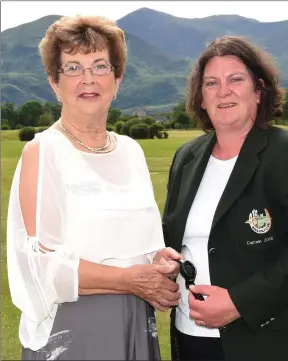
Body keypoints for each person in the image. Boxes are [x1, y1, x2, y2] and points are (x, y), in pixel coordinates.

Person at [6, 15, 183, 361]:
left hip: (136, 320)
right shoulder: (43, 151)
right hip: (72, 329)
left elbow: (138, 245)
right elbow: (41, 268)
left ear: (116, 81)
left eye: (100, 66)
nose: (88, 78)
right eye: (73, 68)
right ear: (55, 84)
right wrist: (131, 280)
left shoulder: (132, 151)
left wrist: (158, 261)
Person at [161, 36, 288, 361]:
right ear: (201, 98)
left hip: (274, 343)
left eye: (235, 79)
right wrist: (163, 260)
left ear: (258, 90)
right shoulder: (186, 157)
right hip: (192, 339)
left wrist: (238, 303)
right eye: (211, 83)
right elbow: (174, 237)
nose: (223, 91)